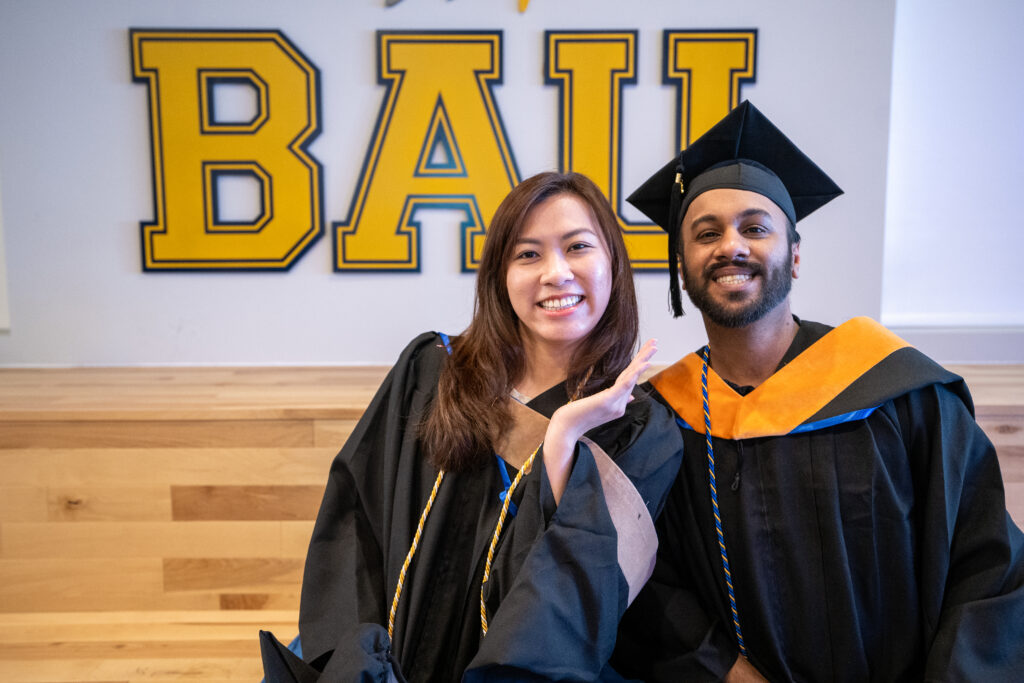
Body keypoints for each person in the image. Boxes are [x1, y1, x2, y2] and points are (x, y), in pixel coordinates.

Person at [611, 101, 1024, 682]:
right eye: (706, 233)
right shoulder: (660, 419)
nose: (731, 246)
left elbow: (986, 566)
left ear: (795, 256)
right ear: (683, 267)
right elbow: (650, 582)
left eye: (755, 228)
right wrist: (723, 670)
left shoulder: (899, 393)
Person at [259, 171, 684, 682]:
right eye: (528, 254)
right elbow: (355, 527)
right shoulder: (434, 369)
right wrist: (356, 667)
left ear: (613, 262)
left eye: (577, 247)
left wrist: (562, 441)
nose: (555, 273)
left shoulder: (639, 430)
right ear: (499, 275)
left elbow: (568, 605)